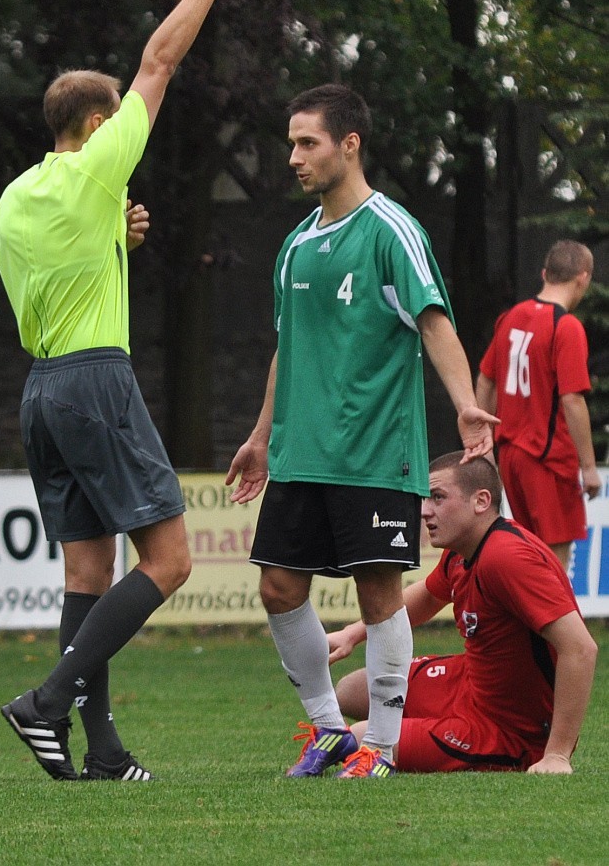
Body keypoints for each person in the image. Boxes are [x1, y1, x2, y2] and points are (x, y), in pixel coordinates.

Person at [0, 0, 244, 781]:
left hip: (42, 393)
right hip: (97, 380)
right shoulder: (102, 162)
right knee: (170, 560)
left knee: (87, 576)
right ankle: (45, 701)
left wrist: (118, 242)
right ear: (98, 124)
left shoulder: (16, 197)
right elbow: (159, 62)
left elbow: (56, 278)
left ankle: (101, 750)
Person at [225, 84, 499, 779]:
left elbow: (434, 322)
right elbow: (288, 349)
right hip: (300, 450)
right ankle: (329, 732)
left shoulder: (391, 229)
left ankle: (378, 744)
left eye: (306, 142)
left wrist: (465, 404)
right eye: (290, 143)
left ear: (349, 145)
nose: (293, 157)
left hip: (373, 451)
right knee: (279, 589)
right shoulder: (294, 247)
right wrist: (261, 437)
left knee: (377, 596)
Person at [328, 452, 598, 775]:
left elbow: (581, 649)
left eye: (438, 498)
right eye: (426, 499)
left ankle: (528, 750)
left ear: (481, 501)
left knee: (363, 739)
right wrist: (354, 633)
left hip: (508, 728)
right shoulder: (464, 548)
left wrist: (557, 754)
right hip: (468, 684)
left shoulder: (506, 557)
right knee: (351, 689)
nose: (425, 510)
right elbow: (428, 596)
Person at [476, 239, 601, 570]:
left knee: (529, 561)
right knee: (553, 570)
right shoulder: (566, 326)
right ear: (583, 278)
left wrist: (483, 435)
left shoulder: (512, 316)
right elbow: (572, 399)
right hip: (548, 459)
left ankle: (525, 624)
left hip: (512, 457)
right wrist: (588, 467)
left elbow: (486, 378)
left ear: (546, 273)